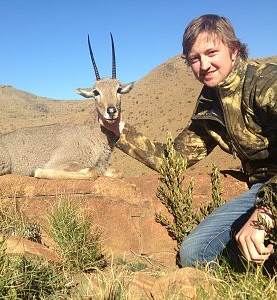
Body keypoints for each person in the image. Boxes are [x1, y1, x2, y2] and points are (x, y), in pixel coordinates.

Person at [99, 14, 277, 268]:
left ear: (234, 50)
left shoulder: (265, 83)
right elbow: (171, 160)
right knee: (195, 253)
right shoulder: (210, 104)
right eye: (195, 58)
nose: (204, 65)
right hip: (261, 190)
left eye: (212, 52)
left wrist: (265, 213)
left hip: (271, 196)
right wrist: (119, 130)